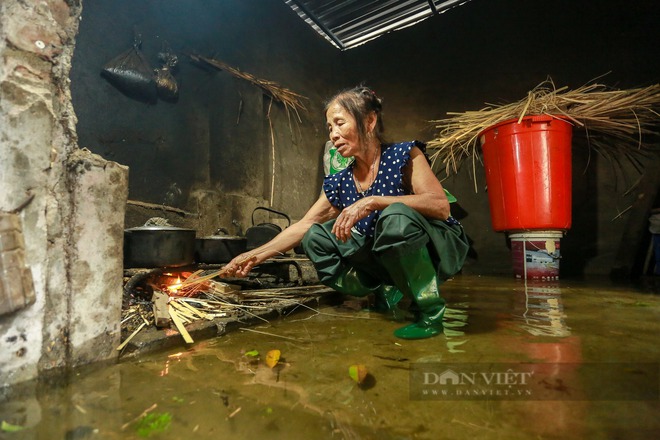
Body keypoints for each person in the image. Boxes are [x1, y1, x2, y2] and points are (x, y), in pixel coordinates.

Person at [222, 85, 469, 339]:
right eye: (330, 127)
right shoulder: (340, 181)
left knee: (395, 217)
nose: (334, 134)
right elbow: (304, 225)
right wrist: (253, 255)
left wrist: (373, 201)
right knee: (315, 237)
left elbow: (440, 206)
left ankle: (429, 312)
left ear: (370, 121)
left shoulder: (403, 156)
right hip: (388, 257)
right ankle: (387, 285)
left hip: (437, 247)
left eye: (340, 123)